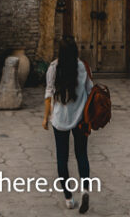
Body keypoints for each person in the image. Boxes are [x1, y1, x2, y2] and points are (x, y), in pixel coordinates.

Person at [43, 36, 93, 211]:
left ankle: (69, 199)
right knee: (82, 155)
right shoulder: (82, 67)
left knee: (62, 158)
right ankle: (85, 190)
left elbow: (49, 93)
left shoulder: (53, 68)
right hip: (80, 119)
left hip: (60, 119)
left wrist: (45, 118)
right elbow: (90, 90)